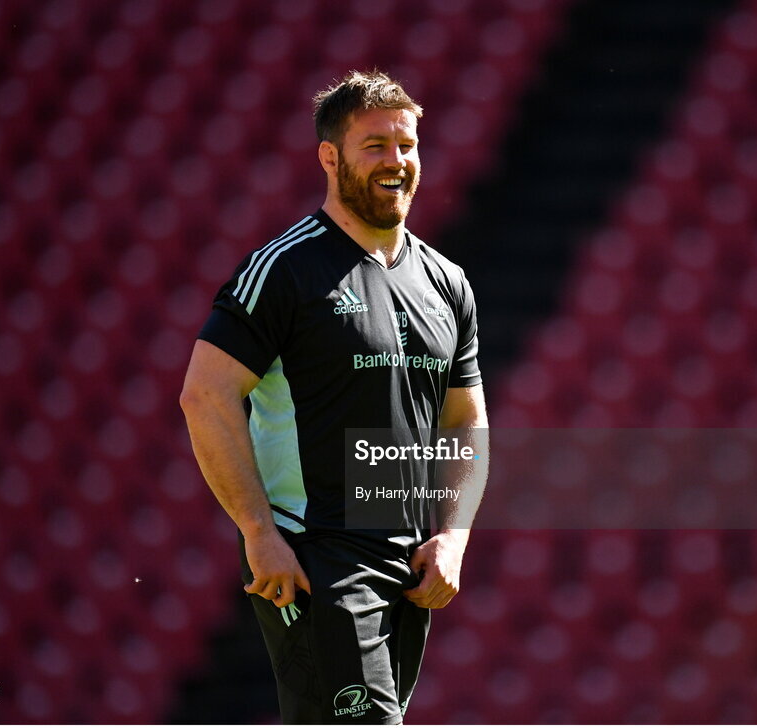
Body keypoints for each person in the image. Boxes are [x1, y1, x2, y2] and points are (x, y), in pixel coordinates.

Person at [179, 69, 488, 724]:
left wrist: (454, 537)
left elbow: (466, 420)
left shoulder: (447, 281)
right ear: (330, 156)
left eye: (407, 146)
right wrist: (259, 533)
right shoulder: (285, 270)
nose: (396, 162)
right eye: (375, 146)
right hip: (312, 555)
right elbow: (205, 396)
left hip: (407, 565)